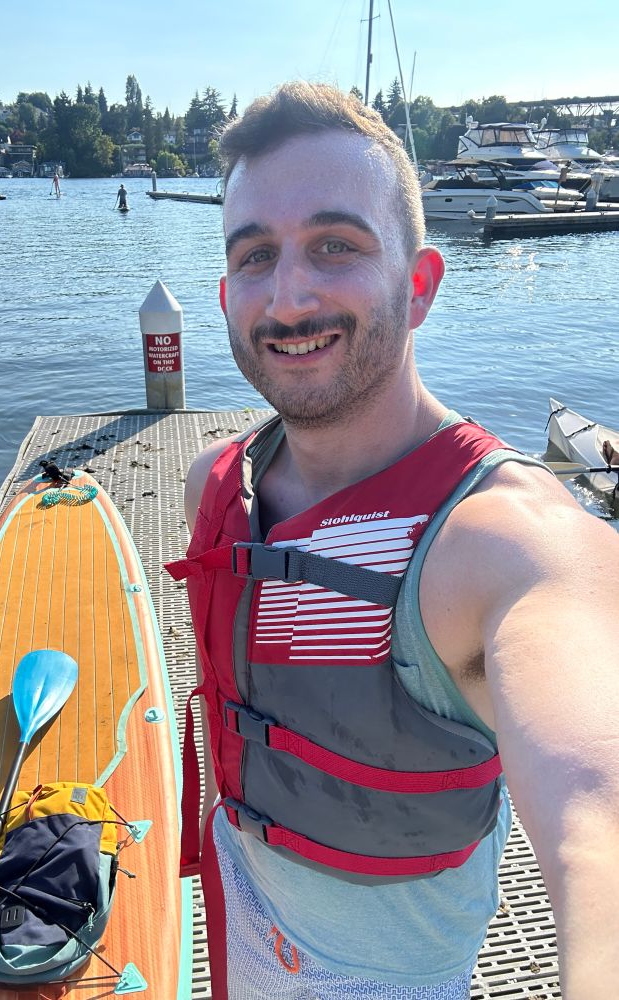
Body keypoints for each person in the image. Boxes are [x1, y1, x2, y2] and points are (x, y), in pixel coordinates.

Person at [166, 82, 619, 1000]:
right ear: (225, 295)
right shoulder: (213, 484)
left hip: (392, 975)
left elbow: (597, 815)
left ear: (419, 286)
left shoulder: (499, 540)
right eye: (256, 256)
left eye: (336, 244)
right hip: (237, 897)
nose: (288, 296)